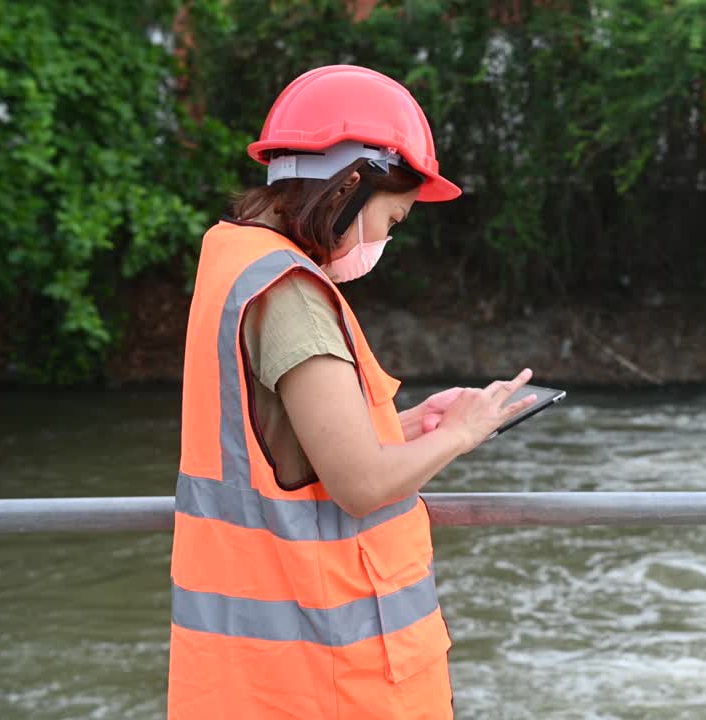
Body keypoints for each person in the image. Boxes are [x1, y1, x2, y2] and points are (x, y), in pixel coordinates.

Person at [168, 64, 535, 719]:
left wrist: (402, 424)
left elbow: (283, 449)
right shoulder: (292, 299)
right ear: (350, 185)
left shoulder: (234, 260)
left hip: (260, 675)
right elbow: (360, 483)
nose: (388, 238)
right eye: (393, 218)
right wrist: (461, 432)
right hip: (328, 677)